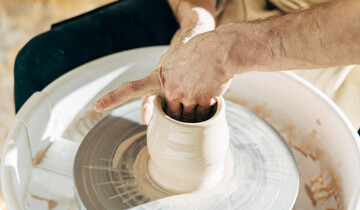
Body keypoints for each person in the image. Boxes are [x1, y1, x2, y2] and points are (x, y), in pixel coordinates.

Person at [15, 0, 360, 131]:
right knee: (44, 64)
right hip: (230, 7)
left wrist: (228, 51)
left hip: (336, 39)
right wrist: (196, 19)